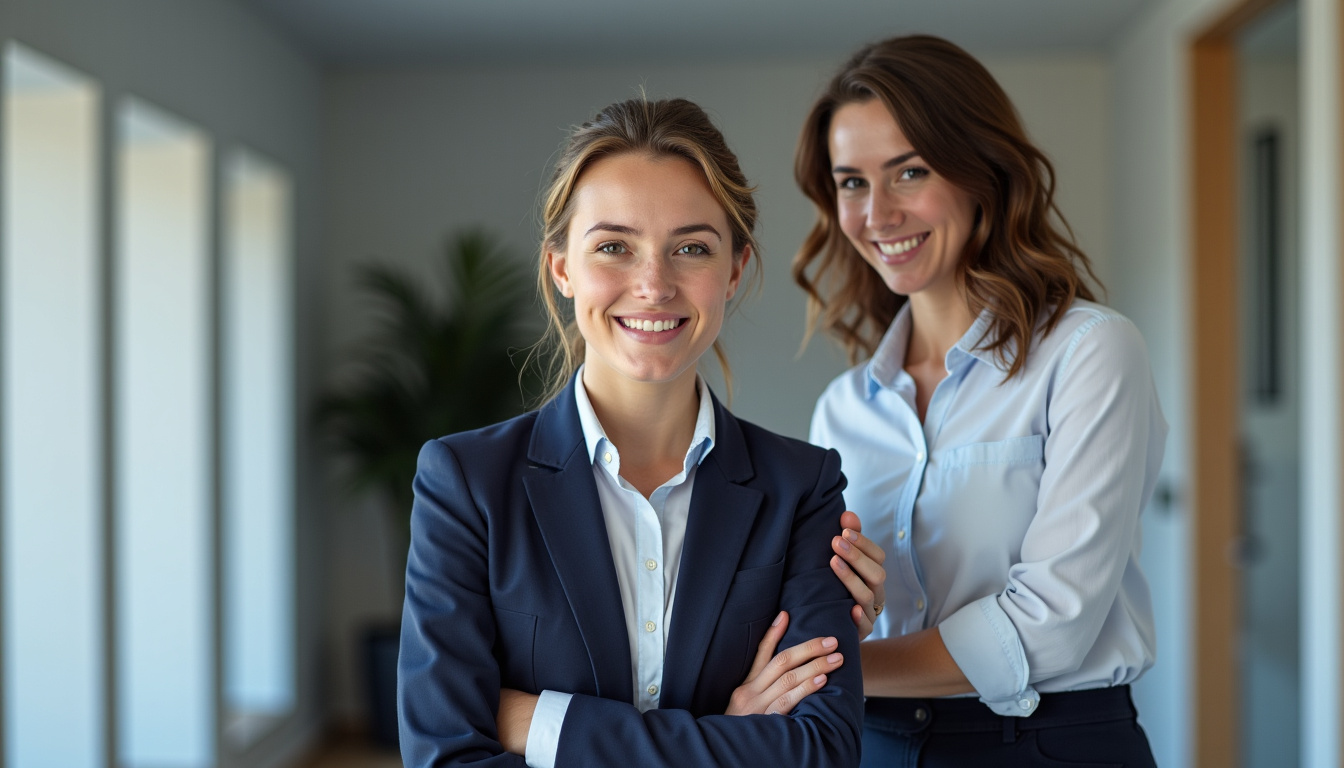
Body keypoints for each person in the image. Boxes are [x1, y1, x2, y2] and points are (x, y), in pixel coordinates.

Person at [397, 96, 864, 768]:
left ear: (734, 270)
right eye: (614, 247)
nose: (653, 284)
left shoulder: (803, 489)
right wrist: (728, 733)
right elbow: (446, 757)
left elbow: (821, 750)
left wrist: (544, 723)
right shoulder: (465, 483)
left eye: (691, 248)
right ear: (562, 267)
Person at [790, 35, 1167, 767]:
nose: (878, 214)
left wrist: (826, 670)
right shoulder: (843, 409)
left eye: (910, 171)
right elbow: (832, 610)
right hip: (872, 743)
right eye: (852, 182)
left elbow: (1052, 624)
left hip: (1050, 745)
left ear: (981, 172)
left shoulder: (1089, 352)